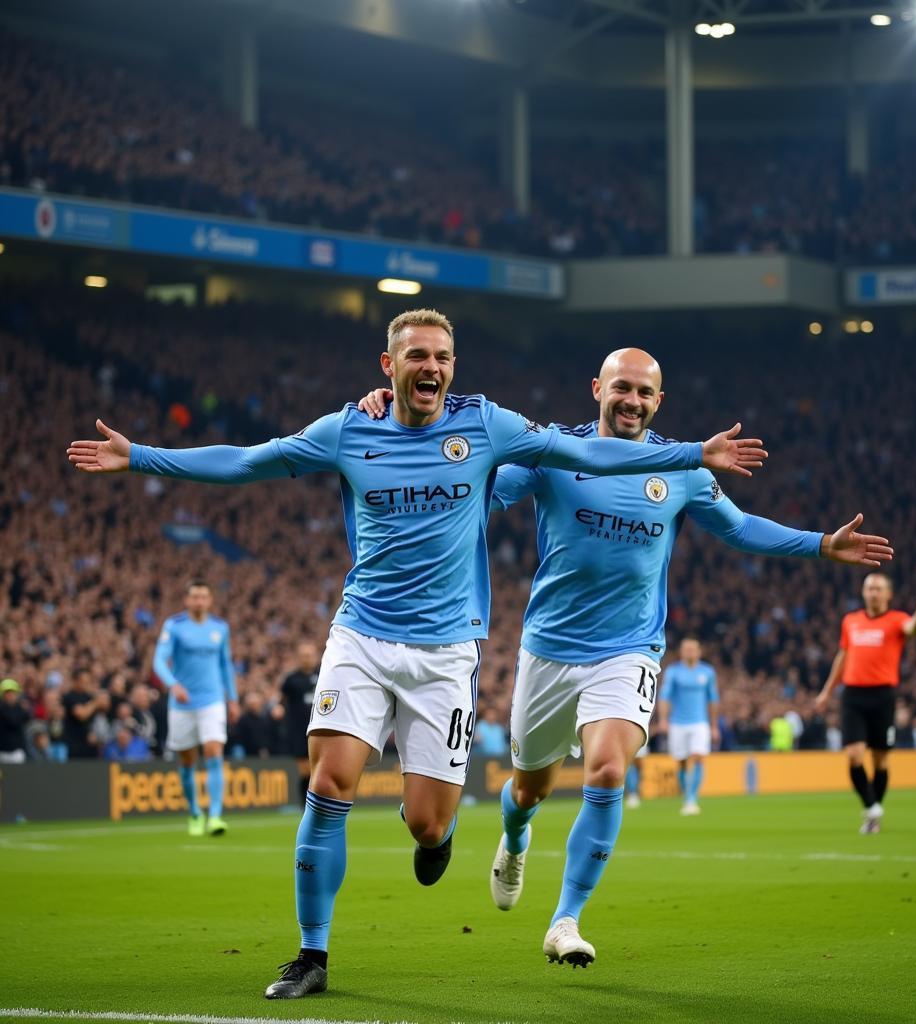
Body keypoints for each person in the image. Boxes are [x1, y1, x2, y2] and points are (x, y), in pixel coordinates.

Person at [68, 309, 764, 1000]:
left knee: (427, 821)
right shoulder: (348, 429)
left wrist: (690, 454)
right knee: (329, 783)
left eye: (442, 356)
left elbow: (586, 452)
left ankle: (437, 841)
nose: (430, 366)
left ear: (453, 366)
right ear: (389, 364)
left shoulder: (487, 424)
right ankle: (312, 953)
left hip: (446, 652)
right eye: (417, 355)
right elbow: (251, 461)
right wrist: (139, 456)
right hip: (362, 636)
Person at [360, 345, 891, 968]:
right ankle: (514, 835)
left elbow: (740, 527)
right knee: (529, 788)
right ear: (597, 389)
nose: (632, 400)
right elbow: (473, 489)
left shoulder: (683, 472)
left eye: (644, 392)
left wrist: (821, 544)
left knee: (609, 770)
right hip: (548, 651)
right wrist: (394, 417)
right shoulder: (553, 453)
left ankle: (565, 920)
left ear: (658, 401)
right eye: (622, 389)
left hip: (628, 649)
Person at [814, 574, 916, 834]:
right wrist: (826, 691)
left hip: (883, 696)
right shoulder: (851, 621)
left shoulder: (897, 619)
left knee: (880, 761)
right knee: (854, 755)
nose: (873, 593)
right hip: (853, 695)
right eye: (869, 588)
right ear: (863, 592)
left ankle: (873, 815)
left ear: (888, 594)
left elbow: (914, 629)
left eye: (878, 589)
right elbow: (843, 657)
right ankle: (871, 806)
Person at [152, 580, 240, 838]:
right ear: (187, 601)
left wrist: (232, 699)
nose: (199, 601)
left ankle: (214, 815)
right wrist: (172, 685)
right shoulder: (174, 626)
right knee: (187, 759)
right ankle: (194, 811)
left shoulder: (220, 628)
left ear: (210, 600)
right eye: (195, 597)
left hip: (212, 700)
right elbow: (158, 660)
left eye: (204, 596)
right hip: (182, 703)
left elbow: (225, 665)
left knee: (214, 751)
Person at [658, 638, 719, 816]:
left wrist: (714, 726)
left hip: (700, 723)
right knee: (682, 761)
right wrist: (663, 719)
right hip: (678, 723)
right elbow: (665, 697)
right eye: (686, 649)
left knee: (699, 757)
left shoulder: (707, 672)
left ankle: (692, 798)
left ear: (699, 651)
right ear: (681, 652)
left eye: (693, 649)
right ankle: (687, 796)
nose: (690, 652)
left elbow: (713, 699)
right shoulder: (674, 672)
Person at [279, 642, 321, 801]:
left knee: (319, 769)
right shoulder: (291, 680)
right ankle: (305, 804)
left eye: (309, 655)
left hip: (321, 728)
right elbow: (282, 700)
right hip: (299, 730)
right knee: (305, 770)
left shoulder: (324, 674)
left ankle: (318, 804)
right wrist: (279, 709)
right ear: (298, 658)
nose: (307, 659)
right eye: (303, 656)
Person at [0, 678, 30, 764]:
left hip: (17, 751)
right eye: (7, 693)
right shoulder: (1, 709)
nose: (10, 695)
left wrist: (24, 710)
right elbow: (13, 721)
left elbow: (28, 718)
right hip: (2, 751)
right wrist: (23, 711)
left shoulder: (20, 708)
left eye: (12, 693)